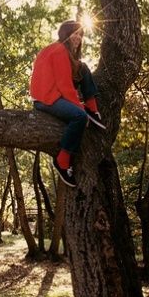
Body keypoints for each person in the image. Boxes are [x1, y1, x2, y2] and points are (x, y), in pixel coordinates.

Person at [30, 20, 105, 187]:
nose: (78, 37)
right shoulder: (59, 51)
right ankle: (62, 161)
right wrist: (80, 108)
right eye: (75, 33)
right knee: (78, 116)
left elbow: (67, 80)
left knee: (83, 67)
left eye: (80, 34)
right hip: (45, 99)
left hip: (53, 94)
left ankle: (93, 109)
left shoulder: (62, 51)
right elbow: (64, 85)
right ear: (65, 34)